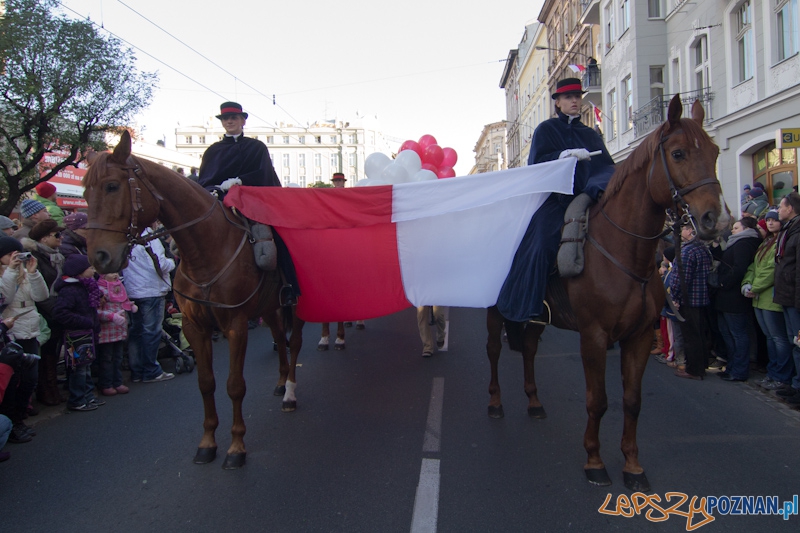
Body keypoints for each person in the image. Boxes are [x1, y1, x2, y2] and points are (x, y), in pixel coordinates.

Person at [496, 77, 615, 322]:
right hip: (556, 200)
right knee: (540, 242)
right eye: (569, 97)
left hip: (587, 196)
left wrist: (595, 188)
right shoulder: (546, 130)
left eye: (577, 96)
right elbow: (536, 165)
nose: (574, 101)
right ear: (558, 103)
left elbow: (607, 168)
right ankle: (533, 304)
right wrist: (564, 155)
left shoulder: (590, 135)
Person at [0, 236, 47, 438]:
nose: (15, 257)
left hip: (29, 329)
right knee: (11, 382)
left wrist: (34, 273)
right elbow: (5, 298)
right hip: (8, 332)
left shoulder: (25, 273)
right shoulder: (7, 274)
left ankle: (18, 419)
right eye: (10, 254)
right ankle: (10, 424)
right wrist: (10, 270)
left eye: (17, 253)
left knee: (30, 379)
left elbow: (42, 296)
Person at [743, 210, 795, 391]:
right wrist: (747, 283)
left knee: (779, 339)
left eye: (774, 220)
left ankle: (782, 376)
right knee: (770, 339)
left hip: (771, 298)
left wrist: (755, 287)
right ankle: (773, 373)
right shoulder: (765, 243)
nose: (771, 223)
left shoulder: (781, 242)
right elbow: (753, 267)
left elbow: (772, 269)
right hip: (758, 298)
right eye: (769, 220)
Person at [122, 223, 176, 383]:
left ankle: (137, 370)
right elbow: (160, 264)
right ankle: (151, 370)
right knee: (151, 331)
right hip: (151, 289)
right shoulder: (149, 237)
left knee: (136, 331)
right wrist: (172, 262)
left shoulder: (125, 236)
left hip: (133, 289)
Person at [711, 218, 761, 382]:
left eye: (736, 227)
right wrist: (717, 246)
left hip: (733, 298)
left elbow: (739, 268)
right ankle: (732, 366)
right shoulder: (736, 243)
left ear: (746, 228)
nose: (732, 230)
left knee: (737, 335)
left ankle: (739, 370)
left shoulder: (744, 243)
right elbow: (725, 260)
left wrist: (723, 282)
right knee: (727, 333)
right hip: (726, 297)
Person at [52, 255, 104, 411]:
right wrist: (85, 321)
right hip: (75, 335)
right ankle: (77, 399)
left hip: (87, 333)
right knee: (78, 368)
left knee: (86, 366)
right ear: (80, 272)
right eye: (90, 268)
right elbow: (61, 313)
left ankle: (88, 396)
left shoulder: (86, 286)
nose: (94, 271)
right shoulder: (69, 290)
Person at [23, 219, 66, 405]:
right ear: (45, 238)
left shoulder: (57, 256)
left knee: (53, 352)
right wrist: (55, 310)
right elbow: (37, 288)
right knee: (45, 352)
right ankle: (44, 389)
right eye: (57, 235)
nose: (61, 238)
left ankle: (51, 387)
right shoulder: (35, 258)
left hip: (58, 308)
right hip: (45, 311)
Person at [198, 101, 280, 191]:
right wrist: (216, 188)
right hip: (220, 197)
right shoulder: (212, 151)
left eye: (234, 118)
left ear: (243, 121)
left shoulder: (257, 147)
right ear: (222, 122)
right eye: (225, 118)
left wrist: (240, 181)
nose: (229, 121)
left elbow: (266, 175)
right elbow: (204, 182)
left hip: (251, 196)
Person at [670, 223, 713, 380]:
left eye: (683, 229)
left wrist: (675, 296)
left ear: (690, 230)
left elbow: (681, 278)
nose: (681, 232)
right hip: (701, 298)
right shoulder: (702, 249)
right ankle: (701, 365)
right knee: (699, 334)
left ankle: (694, 370)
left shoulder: (687, 251)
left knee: (691, 336)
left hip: (689, 300)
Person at [773, 192, 800, 405]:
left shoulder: (797, 231)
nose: (778, 209)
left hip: (795, 298)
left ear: (790, 208)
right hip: (787, 295)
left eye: (781, 206)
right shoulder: (789, 229)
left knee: (798, 343)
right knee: (794, 342)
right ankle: (796, 383)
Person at [96, 272, 136, 396]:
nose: (115, 275)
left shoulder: (119, 286)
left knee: (118, 357)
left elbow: (123, 301)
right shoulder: (99, 290)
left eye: (116, 272)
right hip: (107, 330)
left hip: (119, 329)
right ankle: (106, 384)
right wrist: (111, 316)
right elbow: (96, 311)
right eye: (111, 273)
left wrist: (130, 306)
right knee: (107, 358)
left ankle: (118, 382)